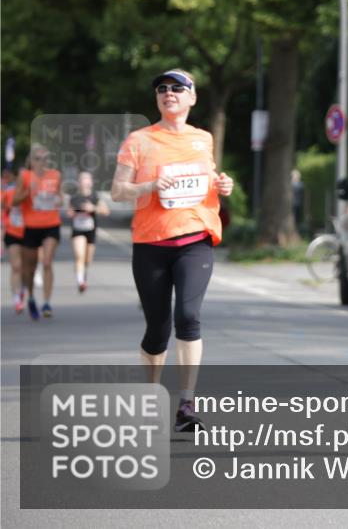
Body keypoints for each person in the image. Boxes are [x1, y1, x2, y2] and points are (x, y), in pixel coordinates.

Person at [111, 68, 233, 432]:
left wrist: (223, 183)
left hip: (195, 240)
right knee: (156, 330)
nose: (169, 93)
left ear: (192, 97)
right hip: (151, 243)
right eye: (162, 89)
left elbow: (209, 180)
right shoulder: (139, 140)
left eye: (178, 88)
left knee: (188, 316)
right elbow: (118, 191)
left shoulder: (203, 139)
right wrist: (148, 184)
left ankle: (186, 404)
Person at [13, 145, 62, 320]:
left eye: (45, 158)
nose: (43, 162)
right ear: (32, 161)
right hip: (31, 227)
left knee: (47, 262)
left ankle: (47, 302)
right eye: (39, 159)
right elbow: (14, 201)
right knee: (30, 269)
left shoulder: (55, 175)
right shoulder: (25, 176)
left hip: (51, 224)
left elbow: (60, 198)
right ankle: (31, 297)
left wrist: (57, 200)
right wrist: (27, 193)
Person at [67, 171, 110, 292]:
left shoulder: (95, 197)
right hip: (77, 230)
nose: (83, 181)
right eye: (81, 179)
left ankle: (83, 275)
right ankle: (80, 281)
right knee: (79, 256)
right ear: (78, 182)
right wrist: (73, 213)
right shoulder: (74, 198)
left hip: (91, 230)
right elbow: (69, 212)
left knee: (87, 260)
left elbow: (106, 211)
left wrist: (93, 208)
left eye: (86, 179)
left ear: (90, 182)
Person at [2, 168, 25, 314]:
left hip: (29, 234)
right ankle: (17, 299)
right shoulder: (9, 194)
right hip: (12, 233)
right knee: (16, 266)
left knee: (26, 268)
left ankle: (22, 289)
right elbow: (4, 209)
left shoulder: (31, 195)